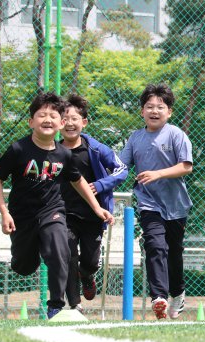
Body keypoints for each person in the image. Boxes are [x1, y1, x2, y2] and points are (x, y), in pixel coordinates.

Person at [0, 92, 114, 319]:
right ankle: (33, 250)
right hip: (22, 216)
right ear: (31, 122)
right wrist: (4, 212)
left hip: (52, 211)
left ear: (61, 122)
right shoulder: (18, 150)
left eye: (52, 116)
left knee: (59, 250)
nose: (47, 120)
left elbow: (78, 181)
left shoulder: (64, 155)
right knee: (23, 267)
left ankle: (55, 305)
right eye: (41, 115)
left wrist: (97, 208)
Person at [120, 83, 193, 320]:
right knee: (155, 245)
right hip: (148, 203)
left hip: (176, 205)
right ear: (142, 111)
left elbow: (186, 166)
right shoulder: (135, 138)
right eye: (149, 106)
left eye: (160, 107)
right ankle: (159, 297)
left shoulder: (176, 135)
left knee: (174, 253)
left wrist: (158, 174)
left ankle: (178, 294)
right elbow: (121, 166)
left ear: (169, 112)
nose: (154, 111)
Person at [60, 94, 128, 313]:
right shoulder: (52, 150)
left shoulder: (96, 149)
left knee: (89, 261)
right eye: (64, 118)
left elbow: (122, 170)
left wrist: (100, 185)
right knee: (68, 254)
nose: (69, 123)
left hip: (93, 215)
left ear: (84, 122)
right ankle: (74, 304)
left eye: (74, 119)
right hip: (63, 214)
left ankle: (87, 274)